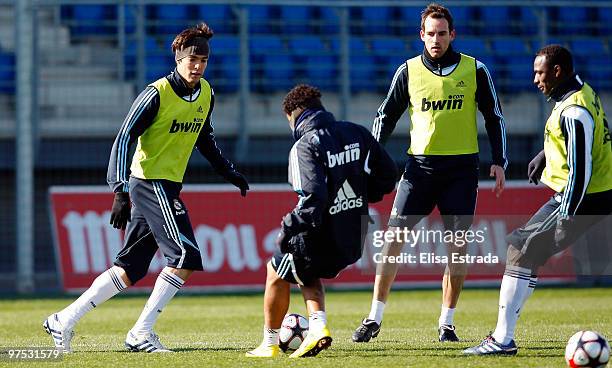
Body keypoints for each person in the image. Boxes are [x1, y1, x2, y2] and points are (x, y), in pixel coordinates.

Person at [43, 23, 249, 353]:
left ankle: (62, 320)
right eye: (192, 59)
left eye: (203, 60)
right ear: (179, 59)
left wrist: (230, 173)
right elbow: (125, 137)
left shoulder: (206, 93)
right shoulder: (156, 93)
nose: (197, 66)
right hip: (149, 183)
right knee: (184, 255)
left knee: (129, 269)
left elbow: (204, 138)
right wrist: (119, 190)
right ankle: (141, 333)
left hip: (168, 186)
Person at [352, 3, 508, 343]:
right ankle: (373, 318)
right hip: (419, 169)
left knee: (457, 249)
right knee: (392, 241)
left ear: (453, 34)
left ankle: (447, 322)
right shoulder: (407, 71)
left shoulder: (475, 70)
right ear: (421, 35)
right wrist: (371, 160)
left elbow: (494, 116)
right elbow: (384, 117)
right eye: (430, 33)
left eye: (442, 33)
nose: (435, 39)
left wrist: (499, 160)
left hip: (461, 171)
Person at [464, 44, 612, 355]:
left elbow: (582, 168)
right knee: (529, 253)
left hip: (582, 197)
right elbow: (580, 138)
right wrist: (546, 154)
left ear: (557, 72)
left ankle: (502, 340)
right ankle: (503, 336)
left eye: (540, 72)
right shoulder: (577, 92)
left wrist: (569, 212)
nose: (535, 79)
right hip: (588, 194)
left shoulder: (574, 111)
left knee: (519, 249)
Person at [245, 84, 398, 358]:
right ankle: (317, 326)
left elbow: (313, 199)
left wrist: (286, 228)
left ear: (294, 114)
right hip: (353, 235)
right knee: (305, 268)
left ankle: (269, 345)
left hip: (322, 233)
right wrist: (365, 195)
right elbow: (388, 174)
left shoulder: (304, 146)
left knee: (275, 268)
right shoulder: (357, 132)